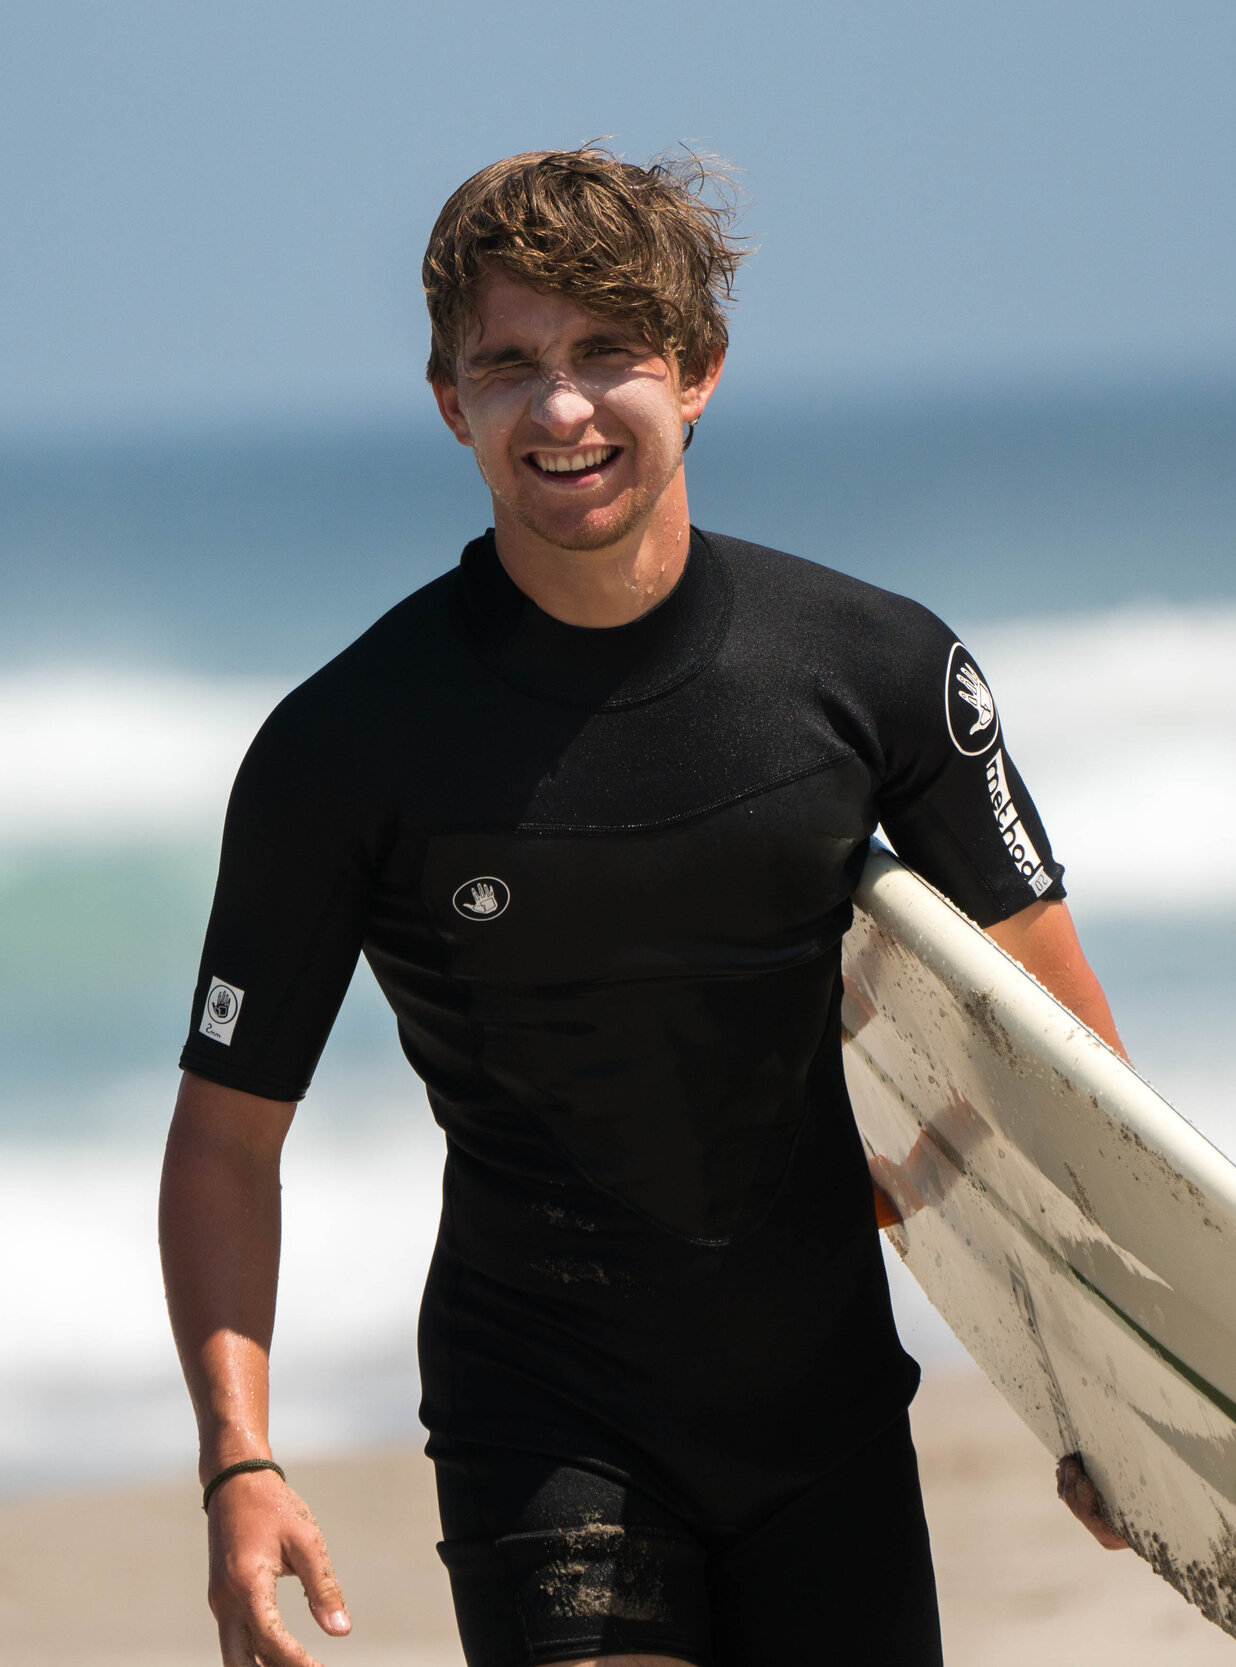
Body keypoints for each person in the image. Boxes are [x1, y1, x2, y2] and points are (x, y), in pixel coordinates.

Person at [158, 146, 1131, 1667]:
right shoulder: (344, 748)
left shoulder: (878, 672)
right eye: (510, 365)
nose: (561, 409)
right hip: (541, 1416)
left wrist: (1114, 1393)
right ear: (450, 402)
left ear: (698, 372)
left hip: (830, 1420)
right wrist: (242, 1463)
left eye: (607, 350)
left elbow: (1066, 1060)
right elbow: (227, 1140)